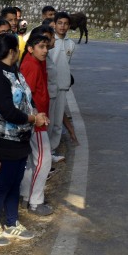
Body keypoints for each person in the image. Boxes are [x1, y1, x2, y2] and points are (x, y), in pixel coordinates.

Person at [0, 33, 47, 247]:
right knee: (2, 184)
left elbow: (27, 97)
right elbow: (7, 111)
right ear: (12, 51)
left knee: (15, 182)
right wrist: (33, 118)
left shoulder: (14, 71)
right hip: (4, 138)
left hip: (21, 137)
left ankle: (11, 221)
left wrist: (35, 111)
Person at [19, 29, 54, 216]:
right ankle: (35, 201)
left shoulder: (35, 62)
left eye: (46, 46)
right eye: (41, 47)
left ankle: (26, 195)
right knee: (43, 159)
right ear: (30, 49)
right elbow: (27, 95)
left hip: (36, 119)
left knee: (33, 161)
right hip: (36, 121)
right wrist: (35, 118)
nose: (45, 50)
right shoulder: (31, 65)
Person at [47, 12, 75, 156]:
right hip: (49, 86)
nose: (62, 26)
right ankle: (45, 151)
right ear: (55, 24)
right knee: (49, 121)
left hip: (63, 86)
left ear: (69, 26)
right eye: (60, 23)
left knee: (57, 122)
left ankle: (52, 150)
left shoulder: (71, 44)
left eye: (65, 24)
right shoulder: (49, 42)